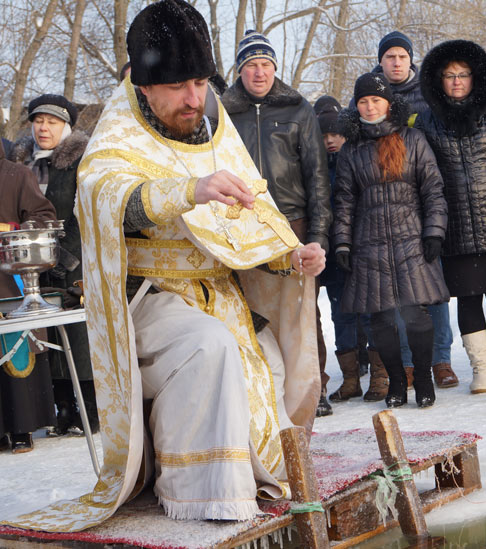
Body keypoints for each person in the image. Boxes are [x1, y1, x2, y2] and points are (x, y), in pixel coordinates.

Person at [3, 0, 324, 530]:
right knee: (209, 346)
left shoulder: (215, 126)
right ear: (145, 85)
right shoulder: (119, 130)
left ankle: (258, 477)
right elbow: (107, 197)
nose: (194, 98)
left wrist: (290, 255)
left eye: (200, 82)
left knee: (268, 357)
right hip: (148, 297)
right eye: (178, 86)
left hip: (220, 294)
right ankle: (204, 496)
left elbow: (251, 216)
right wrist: (188, 191)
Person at [222, 30, 332, 416]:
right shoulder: (222, 112)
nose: (259, 72)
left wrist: (317, 237)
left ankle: (314, 389)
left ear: (275, 68)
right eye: (251, 65)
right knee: (250, 312)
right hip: (243, 226)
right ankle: (262, 391)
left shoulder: (298, 109)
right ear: (240, 70)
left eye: (266, 64)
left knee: (302, 313)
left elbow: (318, 178)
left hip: (292, 225)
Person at [416, 39, 486, 394]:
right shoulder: (426, 121)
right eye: (449, 75)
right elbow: (424, 178)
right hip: (455, 225)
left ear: (474, 78)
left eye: (463, 74)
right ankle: (480, 370)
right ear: (439, 80)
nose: (456, 81)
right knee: (467, 298)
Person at [334, 73, 449, 408]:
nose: (370, 107)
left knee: (416, 316)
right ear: (356, 106)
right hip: (369, 244)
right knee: (381, 320)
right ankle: (397, 382)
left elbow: (433, 189)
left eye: (376, 100)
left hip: (411, 239)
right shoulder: (351, 149)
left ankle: (423, 378)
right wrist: (342, 243)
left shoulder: (413, 139)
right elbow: (344, 200)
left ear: (388, 103)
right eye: (363, 101)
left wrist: (434, 231)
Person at [353, 30, 458, 390]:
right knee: (393, 298)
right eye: (389, 57)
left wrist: (436, 223)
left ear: (411, 59)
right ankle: (407, 364)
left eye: (402, 56)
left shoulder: (428, 93)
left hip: (425, 201)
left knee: (432, 291)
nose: (396, 62)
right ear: (380, 61)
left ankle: (441, 359)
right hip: (381, 215)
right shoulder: (366, 95)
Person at [11, 94, 96, 433]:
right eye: (38, 121)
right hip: (32, 264)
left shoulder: (82, 159)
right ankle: (62, 409)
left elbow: (84, 210)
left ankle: (90, 409)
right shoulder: (21, 163)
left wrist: (65, 256)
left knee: (79, 337)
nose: (43, 128)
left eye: (52, 122)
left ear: (67, 126)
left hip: (74, 264)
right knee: (45, 338)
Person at [314, 96, 384, 409]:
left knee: (370, 312)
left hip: (361, 248)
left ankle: (380, 375)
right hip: (331, 255)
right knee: (341, 315)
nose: (330, 140)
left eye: (335, 134)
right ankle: (351, 378)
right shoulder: (314, 169)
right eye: (324, 136)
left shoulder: (358, 158)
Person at [0, 142, 57, 454]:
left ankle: (22, 428)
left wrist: (13, 232)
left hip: (9, 280)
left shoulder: (17, 174)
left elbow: (44, 215)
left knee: (15, 348)